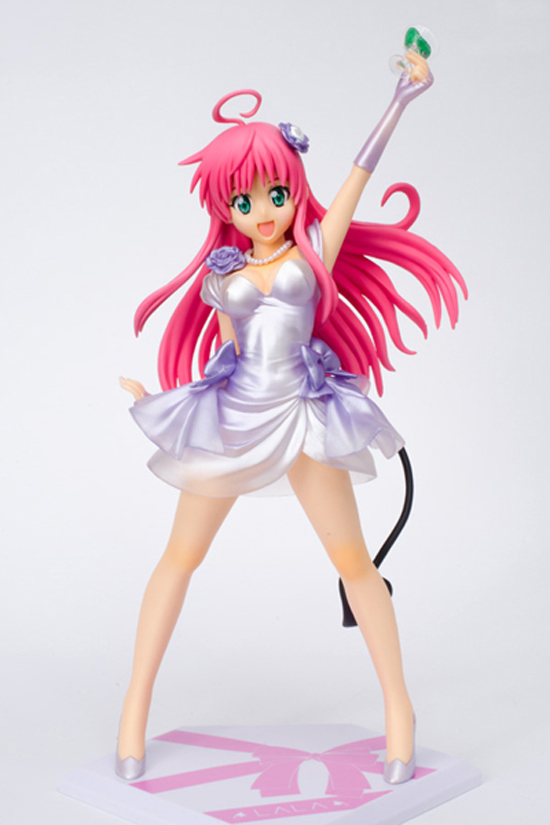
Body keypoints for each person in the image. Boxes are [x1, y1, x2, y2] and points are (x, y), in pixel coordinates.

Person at [117, 51, 466, 785]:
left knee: (354, 563)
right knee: (179, 557)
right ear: (224, 208)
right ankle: (133, 709)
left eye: (276, 192)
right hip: (234, 414)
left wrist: (400, 99)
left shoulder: (315, 250)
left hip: (305, 417)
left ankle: (398, 709)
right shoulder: (224, 276)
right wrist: (168, 397)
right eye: (244, 201)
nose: (264, 210)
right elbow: (226, 354)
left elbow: (359, 175)